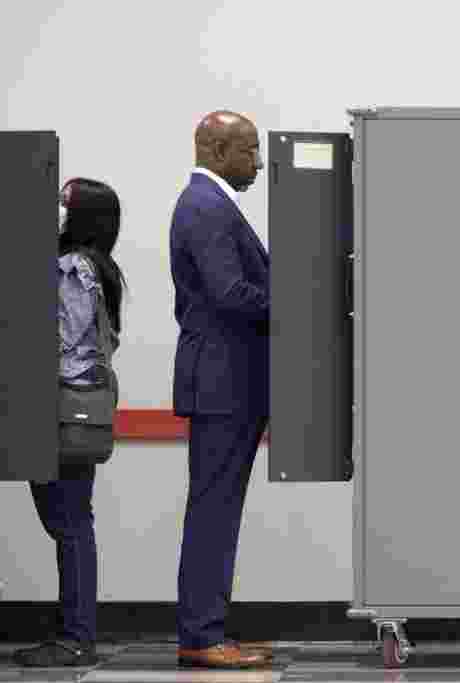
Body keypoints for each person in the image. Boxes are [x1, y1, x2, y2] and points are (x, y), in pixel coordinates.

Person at [169, 111, 271, 669]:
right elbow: (231, 293)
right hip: (222, 383)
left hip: (228, 381)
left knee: (218, 509)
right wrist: (299, 302)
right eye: (249, 151)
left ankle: (209, 631)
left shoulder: (211, 204)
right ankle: (202, 636)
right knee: (213, 511)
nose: (256, 162)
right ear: (215, 149)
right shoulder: (205, 207)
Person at [14, 178, 127, 667]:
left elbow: (57, 338)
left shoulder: (71, 268)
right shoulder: (97, 267)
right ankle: (76, 633)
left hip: (58, 410)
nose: (56, 210)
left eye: (64, 203)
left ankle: (75, 637)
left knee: (69, 525)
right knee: (74, 523)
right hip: (79, 411)